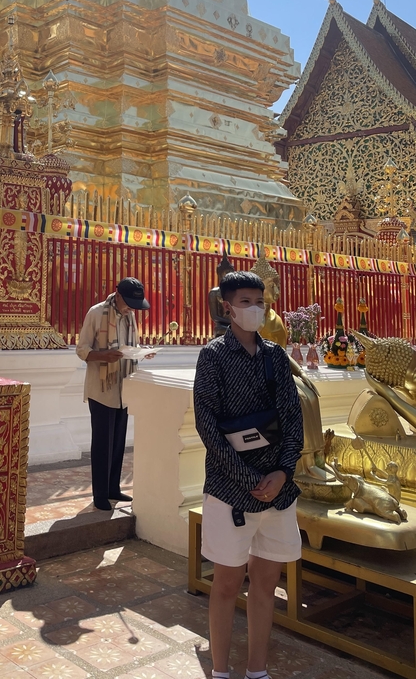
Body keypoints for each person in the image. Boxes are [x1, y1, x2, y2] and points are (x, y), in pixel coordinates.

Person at [193, 271, 303, 679]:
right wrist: (245, 478)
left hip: (277, 488)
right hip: (229, 488)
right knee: (225, 583)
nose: (254, 309)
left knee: (265, 582)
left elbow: (293, 418)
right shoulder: (213, 356)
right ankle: (221, 670)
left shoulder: (276, 355)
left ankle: (257, 670)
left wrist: (282, 471)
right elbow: (208, 425)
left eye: (259, 301)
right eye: (245, 302)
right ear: (227, 307)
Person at [76, 277, 150, 511]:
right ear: (117, 295)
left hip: (124, 386)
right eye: (127, 303)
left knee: (118, 441)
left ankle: (113, 488)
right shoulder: (96, 313)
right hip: (102, 388)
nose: (130, 309)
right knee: (102, 443)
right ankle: (100, 493)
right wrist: (103, 356)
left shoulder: (130, 316)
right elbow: (82, 349)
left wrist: (142, 352)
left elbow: (129, 348)